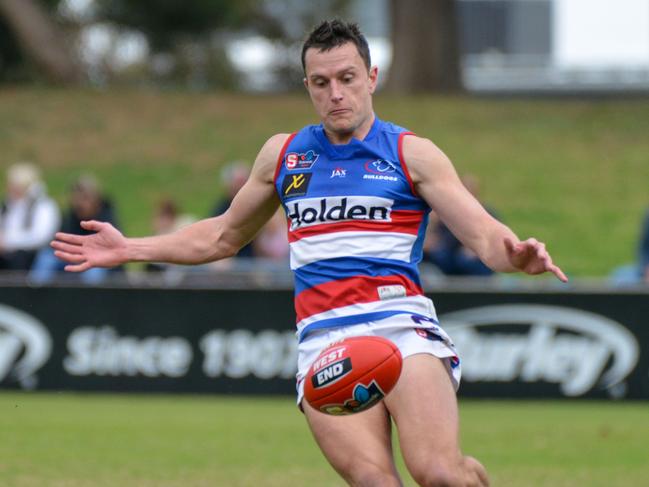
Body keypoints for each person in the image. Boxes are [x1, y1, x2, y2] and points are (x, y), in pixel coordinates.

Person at [51, 20, 567, 487]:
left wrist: (516, 256)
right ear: (307, 86)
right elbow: (224, 235)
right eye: (321, 83)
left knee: (438, 472)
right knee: (375, 482)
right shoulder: (285, 154)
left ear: (372, 76)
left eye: (347, 78)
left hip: (401, 327)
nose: (335, 94)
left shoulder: (412, 153)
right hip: (325, 341)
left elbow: (483, 237)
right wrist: (130, 247)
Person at [30, 174, 120, 284]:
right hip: (73, 257)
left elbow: (112, 248)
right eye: (77, 198)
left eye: (85, 198)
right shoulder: (71, 216)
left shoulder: (107, 217)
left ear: (96, 199)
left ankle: (86, 299)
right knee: (46, 258)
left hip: (98, 259)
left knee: (94, 273)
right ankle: (34, 295)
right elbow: (60, 241)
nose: (80, 203)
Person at [423, 174, 496, 277]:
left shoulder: (487, 214)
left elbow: (495, 241)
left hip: (476, 259)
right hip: (450, 257)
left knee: (465, 260)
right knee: (439, 256)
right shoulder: (447, 214)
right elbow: (439, 240)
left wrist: (479, 248)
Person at [0, 162, 60, 271]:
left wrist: (8, 241)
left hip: (35, 255)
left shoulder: (44, 205)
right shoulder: (8, 205)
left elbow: (40, 237)